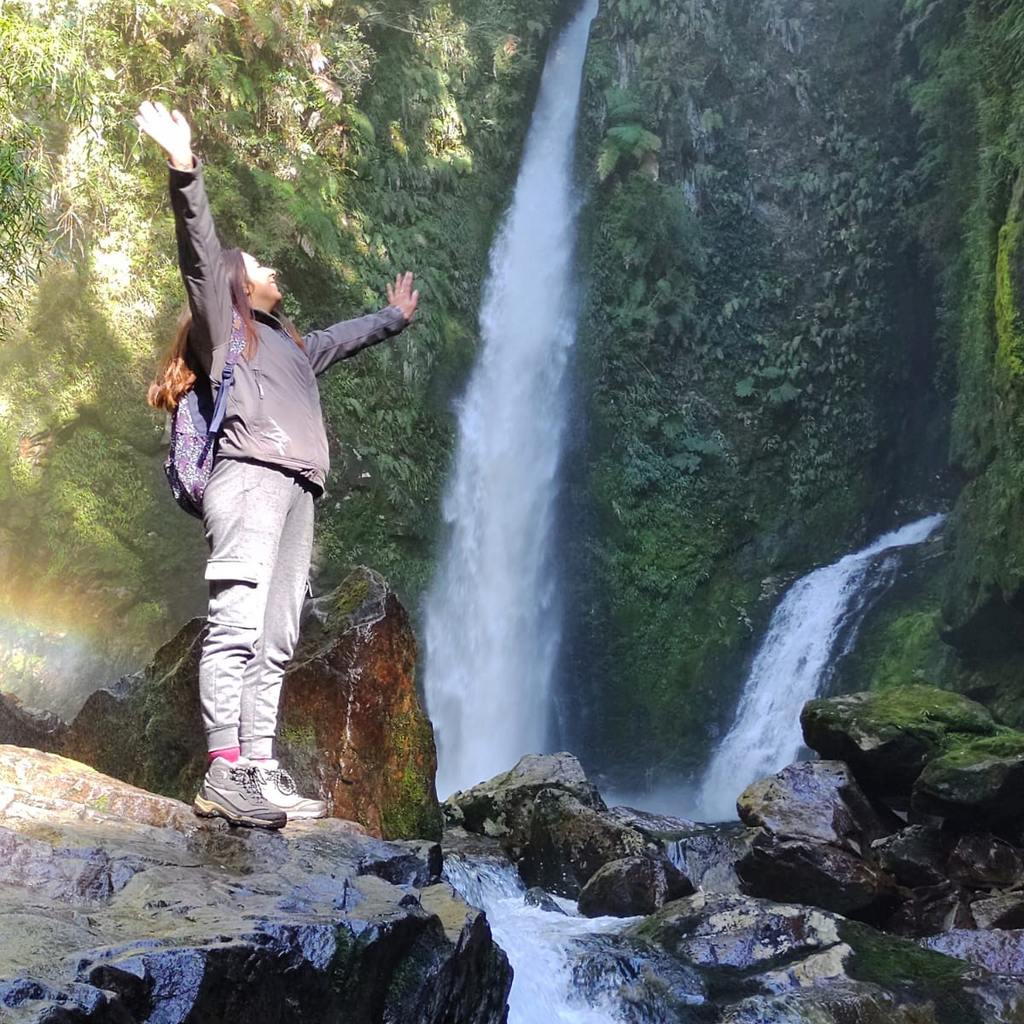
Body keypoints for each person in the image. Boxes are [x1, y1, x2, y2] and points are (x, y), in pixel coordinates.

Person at [138, 101, 419, 829]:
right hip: (248, 478)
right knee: (235, 623)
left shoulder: (292, 345)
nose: (271, 269)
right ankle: (224, 769)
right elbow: (199, 249)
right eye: (259, 265)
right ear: (236, 285)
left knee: (279, 635)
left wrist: (393, 320)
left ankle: (258, 770)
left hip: (298, 490)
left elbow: (343, 337)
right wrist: (184, 168)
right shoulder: (222, 328)